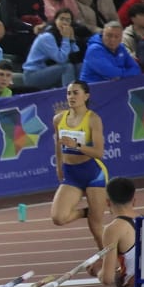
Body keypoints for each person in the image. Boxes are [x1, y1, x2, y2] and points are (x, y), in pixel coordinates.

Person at [51, 80, 109, 253]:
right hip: (71, 174)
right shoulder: (59, 119)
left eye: (76, 93)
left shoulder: (93, 119)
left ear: (86, 96)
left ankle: (110, 261)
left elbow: (99, 152)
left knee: (96, 227)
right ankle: (88, 211)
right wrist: (59, 167)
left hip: (93, 173)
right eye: (69, 93)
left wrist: (76, 145)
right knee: (58, 218)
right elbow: (58, 145)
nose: (71, 97)